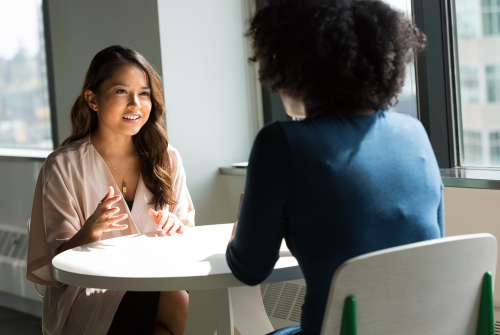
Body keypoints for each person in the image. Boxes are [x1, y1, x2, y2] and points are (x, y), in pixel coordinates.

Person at [226, 1, 443, 335]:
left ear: (292, 64)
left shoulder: (282, 142)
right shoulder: (414, 132)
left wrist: (241, 230)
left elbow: (250, 269)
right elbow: (433, 244)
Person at [26, 45, 194, 335]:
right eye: (121, 92)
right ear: (92, 99)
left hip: (153, 280)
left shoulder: (167, 158)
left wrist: (175, 226)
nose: (136, 104)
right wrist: (90, 231)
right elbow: (56, 268)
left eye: (144, 93)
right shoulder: (63, 166)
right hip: (86, 294)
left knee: (169, 310)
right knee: (174, 299)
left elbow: (188, 236)